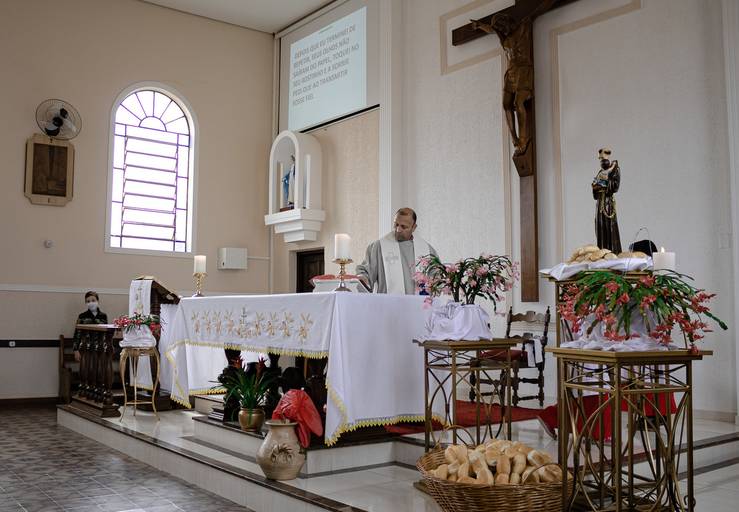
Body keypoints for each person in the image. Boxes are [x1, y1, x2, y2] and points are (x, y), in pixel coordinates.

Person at [356, 207, 438, 294]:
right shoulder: (378, 247)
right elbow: (365, 273)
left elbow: (437, 277)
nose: (398, 230)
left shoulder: (427, 250)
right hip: (387, 302)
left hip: (418, 302)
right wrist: (363, 278)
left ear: (414, 227)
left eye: (404, 227)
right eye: (396, 225)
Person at [592, 148, 622, 253]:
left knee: (609, 226)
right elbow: (595, 185)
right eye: (600, 160)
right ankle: (602, 250)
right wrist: (595, 186)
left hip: (608, 203)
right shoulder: (601, 171)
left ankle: (612, 251)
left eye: (603, 159)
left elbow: (615, 186)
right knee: (600, 225)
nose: (602, 161)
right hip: (600, 202)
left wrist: (603, 184)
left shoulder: (615, 169)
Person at [73, 291, 108, 362]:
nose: (91, 303)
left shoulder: (103, 316)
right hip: (85, 348)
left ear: (98, 301)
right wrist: (75, 350)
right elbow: (77, 334)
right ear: (86, 303)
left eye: (93, 300)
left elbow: (106, 333)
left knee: (99, 368)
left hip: (100, 349)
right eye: (88, 301)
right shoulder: (82, 316)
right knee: (85, 368)